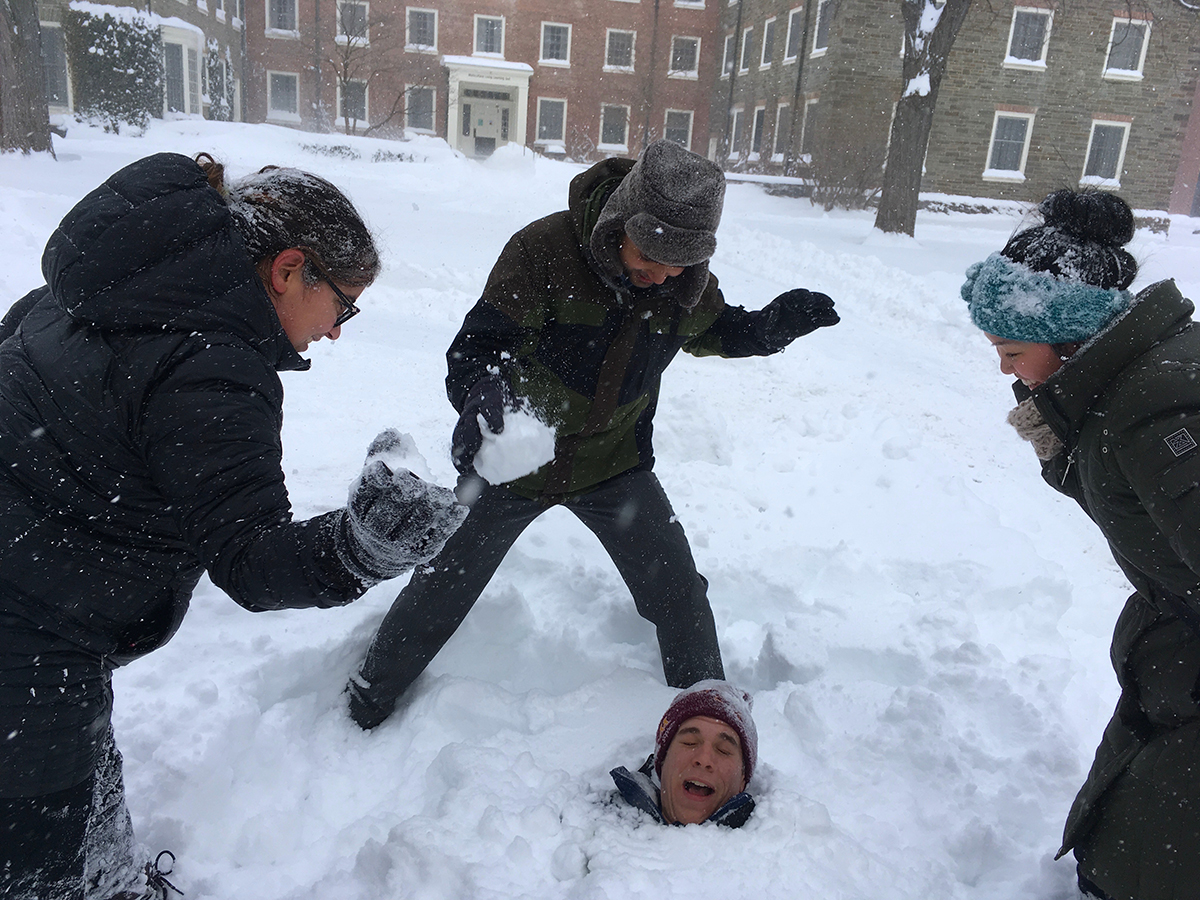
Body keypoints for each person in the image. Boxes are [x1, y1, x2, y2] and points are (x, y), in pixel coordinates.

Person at [0, 152, 467, 900]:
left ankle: (107, 878)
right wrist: (362, 546)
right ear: (288, 271)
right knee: (40, 860)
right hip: (30, 627)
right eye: (343, 305)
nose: (338, 331)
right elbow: (250, 560)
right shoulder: (210, 365)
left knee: (80, 796)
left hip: (41, 609)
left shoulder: (113, 278)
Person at [346, 138, 839, 729]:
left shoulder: (683, 283)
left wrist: (764, 330)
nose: (662, 277)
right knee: (443, 583)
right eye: (651, 257)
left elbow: (712, 331)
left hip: (614, 465)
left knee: (678, 592)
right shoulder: (543, 251)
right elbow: (476, 349)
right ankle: (364, 702)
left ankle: (707, 728)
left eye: (680, 265)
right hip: (515, 463)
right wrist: (485, 399)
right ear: (620, 222)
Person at [962, 189, 1200, 900]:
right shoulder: (1126, 380)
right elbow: (1129, 493)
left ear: (1069, 335)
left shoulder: (1155, 411)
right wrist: (1059, 424)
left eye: (1011, 351)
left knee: (1149, 855)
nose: (1004, 370)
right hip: (1175, 647)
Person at [610, 679, 757, 827]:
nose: (704, 759)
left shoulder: (769, 846)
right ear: (662, 761)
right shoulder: (596, 827)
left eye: (723, 750)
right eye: (690, 742)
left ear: (743, 780)